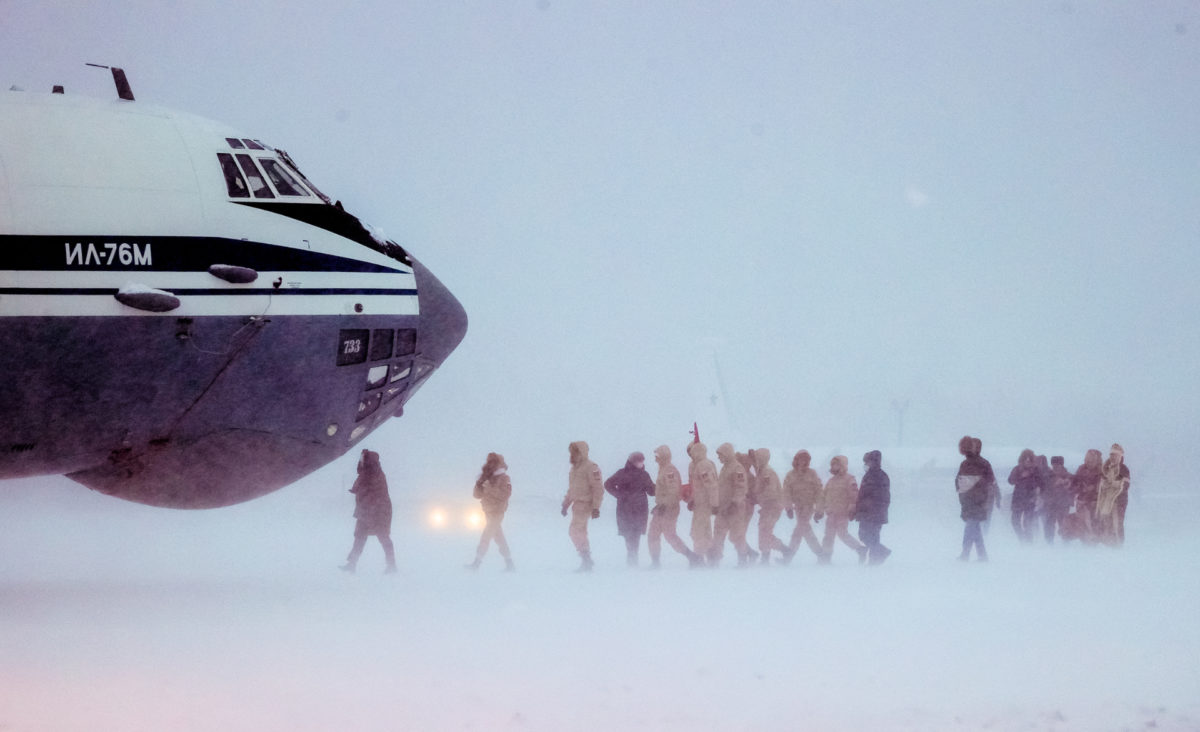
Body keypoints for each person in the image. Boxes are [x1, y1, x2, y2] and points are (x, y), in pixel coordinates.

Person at [340, 448, 396, 574]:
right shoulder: (367, 473)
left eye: (362, 459)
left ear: (369, 461)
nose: (360, 461)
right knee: (360, 536)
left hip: (378, 511)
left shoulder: (374, 473)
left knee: (383, 537)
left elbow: (370, 490)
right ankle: (352, 564)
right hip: (367, 510)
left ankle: (392, 565)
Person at [648, 445, 704, 568]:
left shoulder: (669, 471)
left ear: (663, 456)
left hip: (669, 508)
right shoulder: (663, 469)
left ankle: (693, 557)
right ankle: (655, 562)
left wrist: (664, 505)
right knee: (653, 534)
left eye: (657, 456)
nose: (655, 459)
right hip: (662, 507)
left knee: (670, 535)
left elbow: (674, 492)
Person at [604, 452, 655, 566]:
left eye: (642, 461)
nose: (641, 463)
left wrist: (660, 488)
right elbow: (608, 484)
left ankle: (633, 558)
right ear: (632, 462)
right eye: (639, 461)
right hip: (625, 509)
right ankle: (631, 556)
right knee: (627, 533)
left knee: (635, 534)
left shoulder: (644, 475)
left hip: (640, 509)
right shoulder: (621, 473)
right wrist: (618, 494)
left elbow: (651, 491)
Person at [466, 452, 514, 571]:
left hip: (498, 512)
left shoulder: (504, 478)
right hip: (487, 511)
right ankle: (510, 563)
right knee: (499, 537)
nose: (491, 464)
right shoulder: (486, 477)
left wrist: (489, 488)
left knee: (486, 535)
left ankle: (477, 563)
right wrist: (478, 485)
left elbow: (505, 495)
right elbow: (476, 495)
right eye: (489, 462)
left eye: (493, 462)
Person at [561, 441, 604, 572]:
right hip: (576, 505)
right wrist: (565, 504)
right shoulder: (574, 469)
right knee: (580, 532)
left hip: (586, 504)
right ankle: (586, 561)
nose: (572, 454)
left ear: (582, 452)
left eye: (575, 451)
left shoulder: (591, 467)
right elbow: (572, 489)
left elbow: (598, 488)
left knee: (574, 531)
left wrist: (596, 507)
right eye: (571, 452)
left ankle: (586, 559)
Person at [816, 455, 867, 564]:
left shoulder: (849, 479)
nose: (834, 467)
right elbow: (823, 497)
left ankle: (860, 549)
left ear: (843, 465)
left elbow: (854, 496)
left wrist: (852, 509)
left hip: (842, 513)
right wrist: (819, 511)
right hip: (831, 513)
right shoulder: (831, 481)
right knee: (828, 536)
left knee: (842, 534)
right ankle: (826, 557)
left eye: (837, 464)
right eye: (833, 464)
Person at [712, 442, 753, 566]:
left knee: (737, 535)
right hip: (723, 508)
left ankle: (743, 559)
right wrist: (716, 504)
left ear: (727, 454)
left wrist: (735, 503)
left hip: (735, 509)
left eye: (720, 455)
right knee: (718, 534)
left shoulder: (737, 468)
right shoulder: (725, 468)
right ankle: (715, 560)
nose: (719, 458)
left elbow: (741, 488)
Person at [782, 450, 825, 563]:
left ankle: (788, 556)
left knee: (800, 529)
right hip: (798, 508)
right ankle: (821, 554)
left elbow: (819, 492)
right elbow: (786, 492)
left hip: (809, 507)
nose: (805, 462)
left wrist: (819, 510)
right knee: (804, 530)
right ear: (797, 460)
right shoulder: (790, 475)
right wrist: (788, 508)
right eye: (802, 459)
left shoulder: (812, 474)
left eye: (807, 460)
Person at [956, 436, 993, 561]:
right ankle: (982, 555)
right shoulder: (973, 463)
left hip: (974, 501)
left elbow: (959, 482)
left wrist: (971, 488)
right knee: (974, 528)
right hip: (972, 501)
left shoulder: (978, 464)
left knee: (970, 527)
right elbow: (959, 481)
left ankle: (965, 553)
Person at [752, 448, 790, 565]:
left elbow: (770, 491)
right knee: (764, 531)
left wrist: (757, 498)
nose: (755, 461)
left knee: (765, 531)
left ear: (762, 459)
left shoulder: (767, 473)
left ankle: (785, 551)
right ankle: (766, 557)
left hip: (772, 506)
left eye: (757, 459)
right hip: (767, 506)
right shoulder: (762, 472)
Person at [856, 450, 892, 565]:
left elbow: (884, 496)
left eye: (868, 462)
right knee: (863, 535)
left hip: (876, 513)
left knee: (873, 536)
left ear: (874, 462)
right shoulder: (868, 475)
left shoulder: (881, 476)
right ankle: (881, 552)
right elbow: (862, 493)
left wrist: (872, 505)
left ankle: (874, 561)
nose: (866, 464)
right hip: (865, 512)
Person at [686, 441, 719, 564]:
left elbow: (712, 485)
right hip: (700, 503)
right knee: (703, 531)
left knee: (698, 531)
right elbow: (696, 486)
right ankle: (712, 556)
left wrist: (715, 504)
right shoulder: (697, 464)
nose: (690, 454)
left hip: (705, 504)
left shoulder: (704, 465)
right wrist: (691, 500)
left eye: (692, 452)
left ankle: (699, 558)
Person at [1096, 443, 1131, 546]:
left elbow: (1125, 485)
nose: (1113, 457)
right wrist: (1105, 485)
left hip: (1119, 501)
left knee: (1117, 523)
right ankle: (1108, 543)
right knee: (1107, 522)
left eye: (1115, 455)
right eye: (1111, 454)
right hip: (1106, 500)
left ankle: (1119, 545)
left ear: (1120, 456)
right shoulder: (1105, 468)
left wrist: (1114, 484)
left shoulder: (1124, 469)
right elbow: (1102, 483)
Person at [1007, 449, 1043, 543]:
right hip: (1018, 499)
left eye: (1029, 460)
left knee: (1028, 523)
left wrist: (1037, 490)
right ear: (1022, 460)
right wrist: (1021, 476)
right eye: (1025, 459)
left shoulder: (1036, 470)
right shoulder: (1017, 469)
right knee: (1014, 521)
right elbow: (1010, 481)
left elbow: (1042, 483)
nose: (1027, 462)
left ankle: (1028, 544)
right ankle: (1022, 538)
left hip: (1030, 499)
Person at [1070, 449, 1103, 543]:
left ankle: (1095, 542)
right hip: (1082, 501)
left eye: (1091, 461)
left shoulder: (1101, 472)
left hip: (1094, 502)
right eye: (1087, 460)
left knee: (1093, 523)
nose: (1089, 463)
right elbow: (1075, 482)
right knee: (1082, 523)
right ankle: (1085, 543)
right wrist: (1079, 487)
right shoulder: (1081, 469)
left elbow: (1102, 487)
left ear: (1096, 461)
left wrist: (1093, 489)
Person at [1042, 456, 1074, 544]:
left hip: (1063, 505)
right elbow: (1043, 488)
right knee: (1049, 525)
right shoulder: (1047, 476)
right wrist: (1054, 484)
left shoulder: (1069, 476)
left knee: (1064, 525)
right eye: (1053, 465)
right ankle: (1049, 544)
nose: (1055, 467)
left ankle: (1066, 544)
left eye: (1057, 465)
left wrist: (1067, 484)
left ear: (1062, 465)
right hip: (1050, 504)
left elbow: (1074, 488)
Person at [976, 437, 1002, 534]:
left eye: (978, 447)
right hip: (977, 497)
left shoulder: (984, 463)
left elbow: (993, 481)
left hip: (986, 497)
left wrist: (998, 497)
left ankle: (983, 541)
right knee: (976, 521)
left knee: (984, 521)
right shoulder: (967, 464)